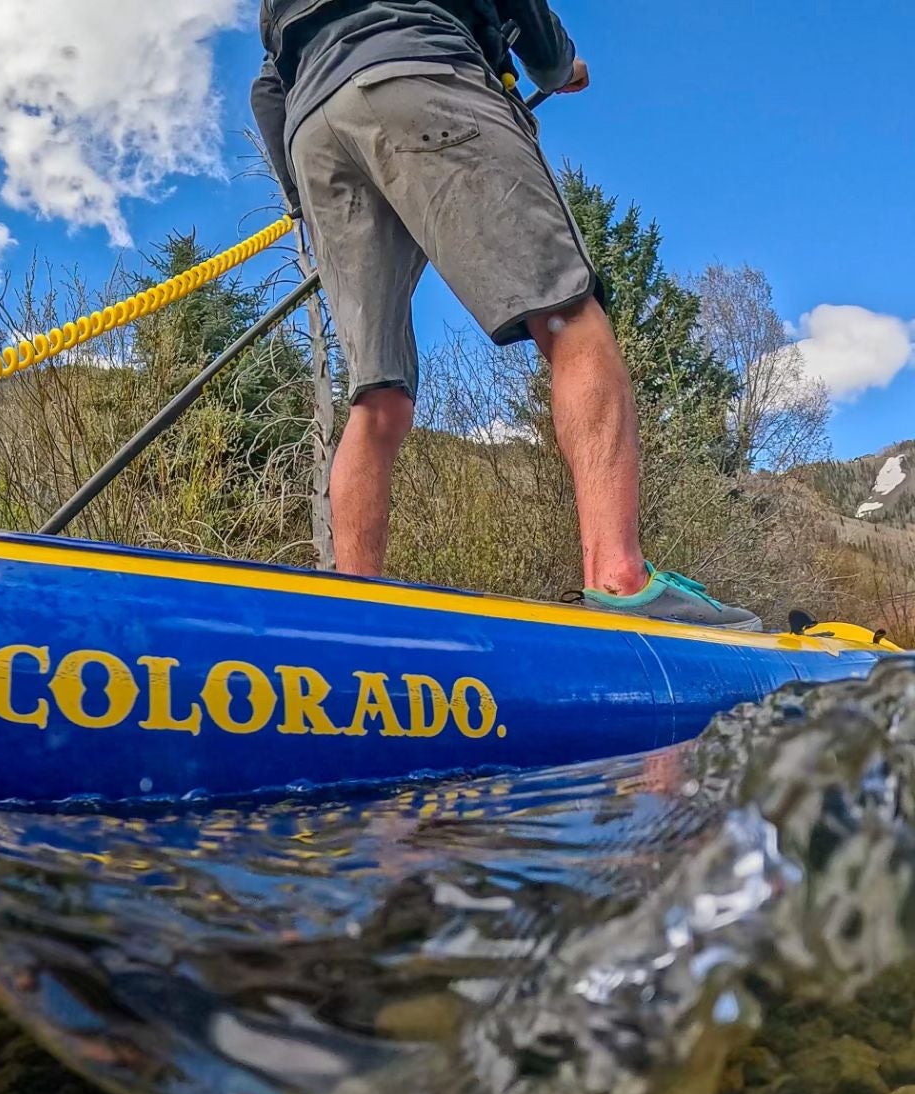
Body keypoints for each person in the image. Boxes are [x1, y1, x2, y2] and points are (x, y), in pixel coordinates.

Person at [253, 0, 760, 629]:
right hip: (419, 74)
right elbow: (530, 25)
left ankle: (356, 610)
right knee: (570, 318)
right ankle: (619, 577)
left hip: (314, 133)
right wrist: (557, 65)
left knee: (375, 392)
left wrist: (305, 197)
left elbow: (268, 89)